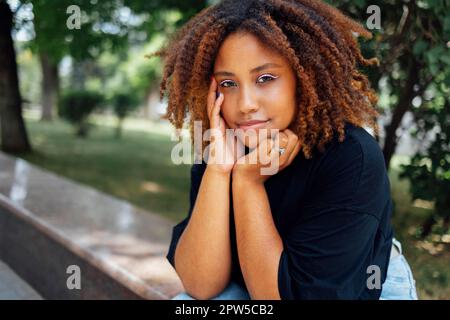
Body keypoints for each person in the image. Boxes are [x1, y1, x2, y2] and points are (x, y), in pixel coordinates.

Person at [150, 0, 418, 300]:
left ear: (305, 76)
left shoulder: (351, 157)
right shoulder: (226, 145)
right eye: (229, 83)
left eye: (265, 78)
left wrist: (248, 183)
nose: (246, 104)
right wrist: (219, 169)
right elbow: (199, 285)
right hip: (260, 279)